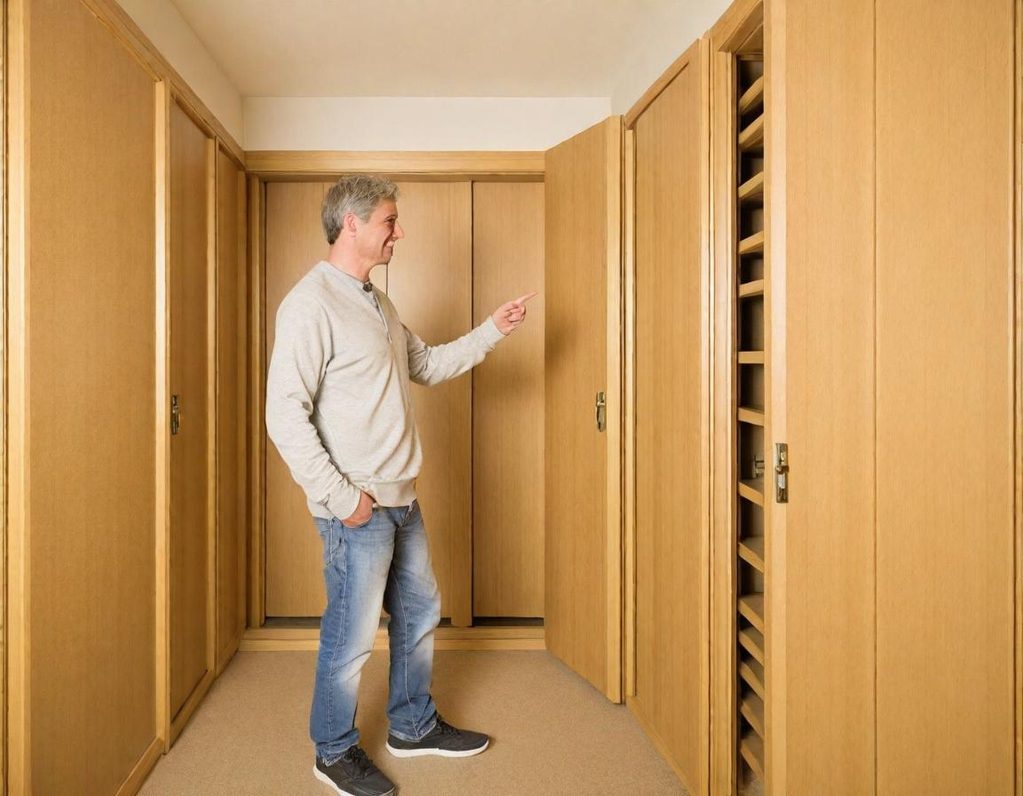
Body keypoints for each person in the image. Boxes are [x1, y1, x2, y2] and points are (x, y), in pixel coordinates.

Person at [265, 174, 535, 796]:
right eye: (389, 221)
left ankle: (412, 727)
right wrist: (344, 500)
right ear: (352, 224)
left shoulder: (378, 303)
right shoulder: (310, 304)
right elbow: (284, 415)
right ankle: (333, 752)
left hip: (402, 498)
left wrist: (492, 329)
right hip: (356, 506)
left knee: (417, 615)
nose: (399, 232)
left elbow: (426, 364)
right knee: (351, 637)